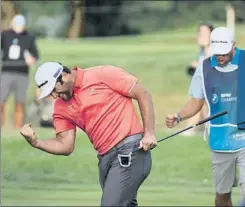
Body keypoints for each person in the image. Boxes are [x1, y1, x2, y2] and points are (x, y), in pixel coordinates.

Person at [20, 62, 157, 206]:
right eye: (50, 93)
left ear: (64, 76)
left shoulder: (103, 74)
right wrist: (36, 142)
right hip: (105, 159)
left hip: (130, 151)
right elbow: (65, 145)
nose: (54, 96)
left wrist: (149, 133)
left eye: (54, 89)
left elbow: (143, 94)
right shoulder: (60, 107)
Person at [165, 26, 245, 207]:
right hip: (220, 140)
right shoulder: (205, 67)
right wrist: (178, 117)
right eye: (217, 53)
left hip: (244, 137)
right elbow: (196, 101)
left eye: (224, 53)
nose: (220, 57)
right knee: (222, 194)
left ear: (234, 46)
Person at [1, 14, 39, 129]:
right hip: (7, 72)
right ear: (12, 24)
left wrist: (31, 59)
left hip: (22, 73)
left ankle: (18, 128)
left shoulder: (29, 37)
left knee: (19, 103)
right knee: (1, 101)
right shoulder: (5, 35)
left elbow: (35, 54)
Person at [183, 22, 214, 137]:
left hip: (215, 86)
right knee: (201, 104)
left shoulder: (213, 50)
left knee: (200, 102)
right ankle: (195, 128)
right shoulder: (203, 51)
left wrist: (199, 65)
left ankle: (191, 128)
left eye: (204, 33)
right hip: (205, 84)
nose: (200, 35)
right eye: (199, 33)